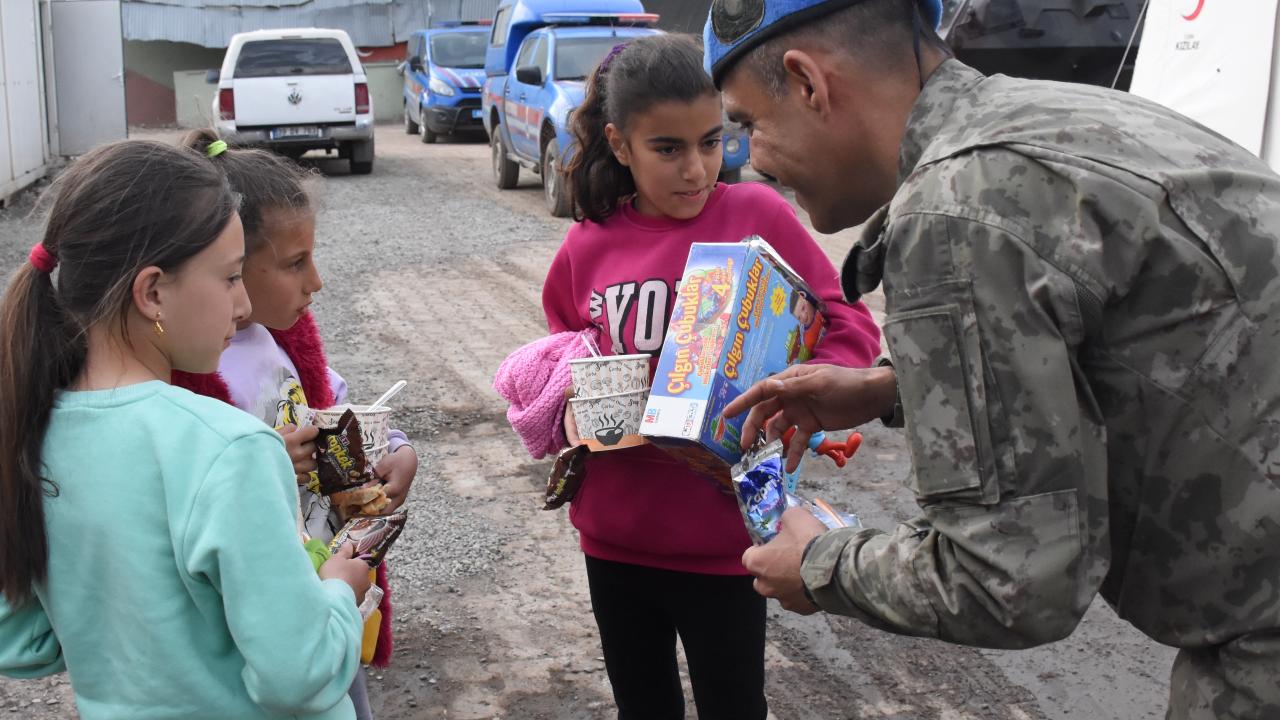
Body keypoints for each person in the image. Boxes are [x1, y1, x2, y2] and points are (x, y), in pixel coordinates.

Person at [706, 1, 1280, 717]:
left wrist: (818, 566)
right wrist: (893, 388)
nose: (753, 158)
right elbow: (1127, 344)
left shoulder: (953, 210)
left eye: (749, 124)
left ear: (807, 82)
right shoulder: (1046, 116)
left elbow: (1012, 578)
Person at [542, 33, 881, 719]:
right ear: (620, 143)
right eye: (667, 149)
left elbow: (849, 327)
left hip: (724, 537)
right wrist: (565, 407)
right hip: (615, 535)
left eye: (710, 140)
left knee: (734, 705)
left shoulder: (755, 217)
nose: (696, 168)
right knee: (644, 706)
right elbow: (558, 361)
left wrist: (799, 392)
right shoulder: (587, 245)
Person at [0, 140, 370, 718]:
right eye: (228, 278)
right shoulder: (229, 449)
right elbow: (299, 674)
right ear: (152, 293)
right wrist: (341, 593)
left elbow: (20, 644)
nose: (243, 305)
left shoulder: (30, 432)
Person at [173, 130, 419, 718]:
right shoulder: (192, 366)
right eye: (294, 264)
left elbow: (340, 412)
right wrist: (262, 461)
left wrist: (397, 450)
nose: (316, 281)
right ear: (228, 263)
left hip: (321, 594)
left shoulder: (278, 345)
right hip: (256, 620)